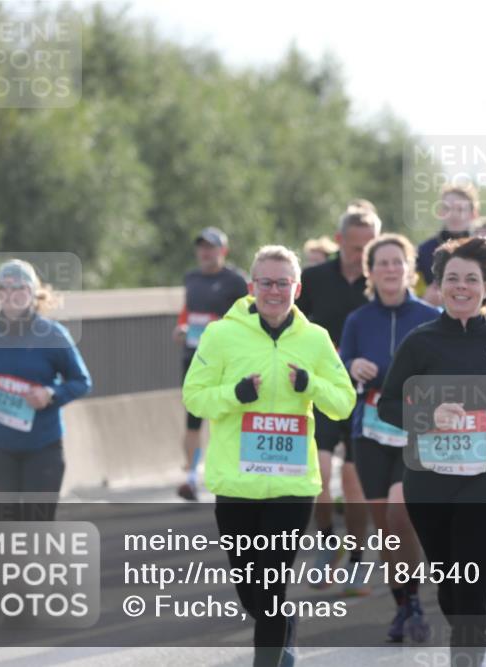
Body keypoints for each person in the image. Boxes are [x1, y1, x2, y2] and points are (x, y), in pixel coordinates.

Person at [182, 245, 355, 666]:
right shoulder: (221, 334)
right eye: (266, 283)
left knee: (271, 586)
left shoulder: (314, 340)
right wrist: (235, 395)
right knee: (250, 590)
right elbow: (194, 397)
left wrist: (310, 385)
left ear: (297, 288)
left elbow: (344, 402)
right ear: (251, 286)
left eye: (282, 283)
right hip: (236, 483)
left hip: (292, 485)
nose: (274, 291)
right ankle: (283, 627)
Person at [379, 236, 486, 667]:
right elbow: (388, 405)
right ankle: (469, 645)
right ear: (439, 284)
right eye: (452, 278)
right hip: (430, 480)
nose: (461, 287)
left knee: (471, 590)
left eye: (472, 279)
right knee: (450, 587)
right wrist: (429, 413)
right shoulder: (420, 342)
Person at [338, 234, 439, 642]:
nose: (391, 269)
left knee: (401, 515)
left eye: (398, 262)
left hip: (416, 429)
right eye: (383, 263)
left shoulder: (430, 316)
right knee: (385, 528)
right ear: (371, 271)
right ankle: (405, 605)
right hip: (371, 431)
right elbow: (341, 363)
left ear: (410, 269)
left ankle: (413, 601)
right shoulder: (358, 320)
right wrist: (352, 365)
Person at [0, 259, 92, 521]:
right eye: (3, 288)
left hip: (44, 446)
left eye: (19, 288)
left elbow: (81, 381)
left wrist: (50, 394)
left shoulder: (53, 335)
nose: (11, 295)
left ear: (32, 293)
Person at [297, 208, 378, 591]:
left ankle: (359, 560)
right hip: (321, 390)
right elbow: (293, 325)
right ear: (338, 239)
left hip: (367, 395)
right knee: (319, 473)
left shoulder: (380, 280)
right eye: (355, 244)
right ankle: (329, 541)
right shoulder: (312, 279)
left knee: (355, 483)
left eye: (369, 246)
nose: (362, 253)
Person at [172, 227, 248, 501]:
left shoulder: (237, 281)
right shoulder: (191, 277)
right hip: (194, 357)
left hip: (227, 360)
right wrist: (181, 327)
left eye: (211, 247)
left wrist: (221, 327)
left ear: (223, 251)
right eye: (202, 247)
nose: (206, 252)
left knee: (226, 416)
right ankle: (191, 479)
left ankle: (231, 473)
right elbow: (187, 311)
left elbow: (248, 316)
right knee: (193, 418)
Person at [416, 183, 479, 306]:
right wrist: (424, 301)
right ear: (440, 212)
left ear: (473, 214)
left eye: (460, 209)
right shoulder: (423, 252)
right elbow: (412, 294)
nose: (454, 214)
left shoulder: (482, 251)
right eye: (447, 208)